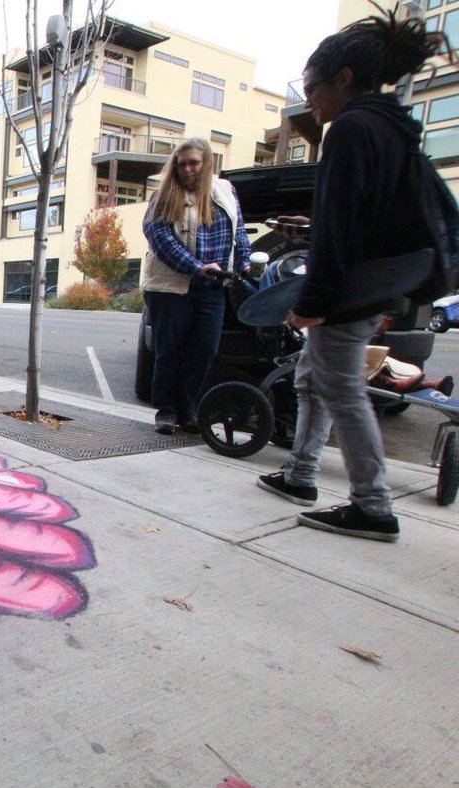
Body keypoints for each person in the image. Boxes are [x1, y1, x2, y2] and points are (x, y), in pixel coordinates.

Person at [257, 10, 448, 542]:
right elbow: (369, 216)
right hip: (377, 281)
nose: (310, 97)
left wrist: (312, 299)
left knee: (341, 389)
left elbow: (343, 229)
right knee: (315, 380)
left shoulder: (353, 129)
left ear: (343, 79)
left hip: (351, 286)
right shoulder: (391, 128)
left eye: (313, 86)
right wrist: (312, 226)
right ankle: (300, 475)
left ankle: (372, 506)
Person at [142, 137, 250, 434]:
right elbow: (159, 238)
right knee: (169, 351)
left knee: (204, 349)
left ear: (207, 163)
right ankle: (167, 411)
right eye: (182, 164)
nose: (187, 169)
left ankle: (188, 409)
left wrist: (244, 262)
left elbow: (238, 229)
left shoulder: (225, 191)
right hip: (171, 286)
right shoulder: (163, 196)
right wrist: (196, 268)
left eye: (193, 163)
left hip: (213, 286)